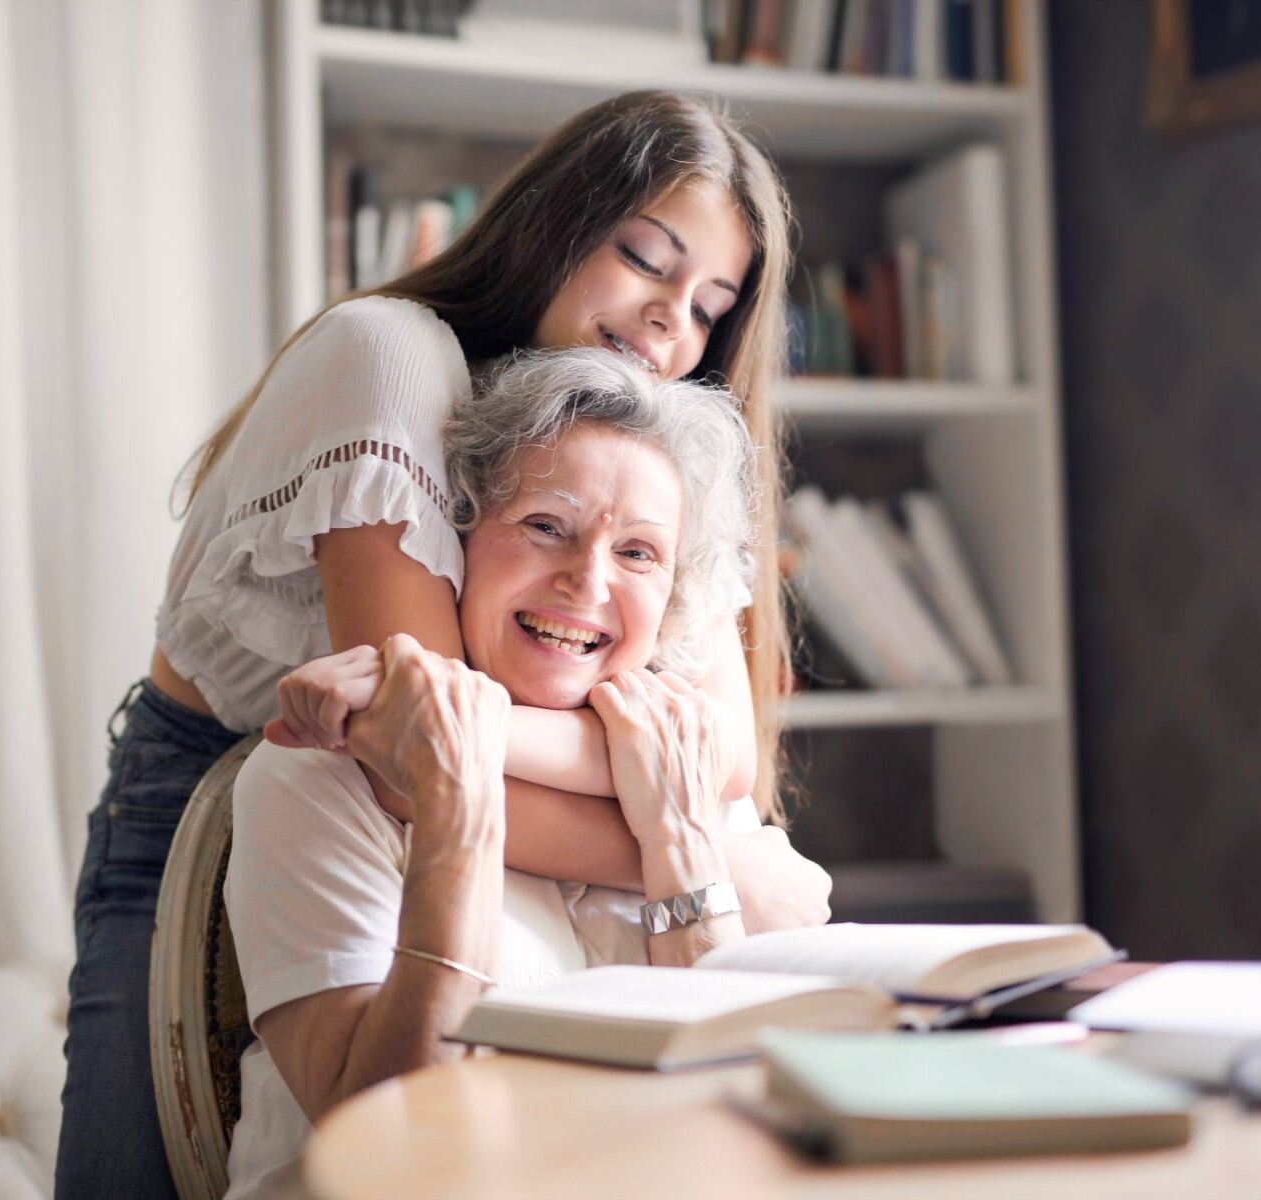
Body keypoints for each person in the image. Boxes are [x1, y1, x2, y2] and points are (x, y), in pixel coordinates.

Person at [56, 90, 828, 1199]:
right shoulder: (388, 357)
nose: (672, 325)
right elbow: (429, 762)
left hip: (446, 801)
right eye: (645, 261)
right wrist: (701, 844)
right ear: (554, 227)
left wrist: (690, 810)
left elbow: (723, 755)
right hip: (224, 798)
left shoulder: (643, 441)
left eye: (710, 306)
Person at [223, 348, 828, 1196]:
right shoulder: (314, 782)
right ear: (460, 540)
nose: (588, 580)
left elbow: (737, 1126)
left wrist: (684, 840)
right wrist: (457, 807)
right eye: (547, 525)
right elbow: (400, 1133)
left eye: (640, 553)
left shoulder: (685, 775)